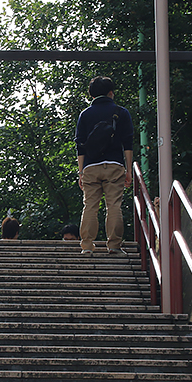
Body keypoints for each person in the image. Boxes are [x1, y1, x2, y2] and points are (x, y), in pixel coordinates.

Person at [75, 76, 134, 255]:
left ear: (91, 95)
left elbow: (80, 146)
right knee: (114, 205)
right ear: (110, 93)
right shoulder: (121, 112)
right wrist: (129, 170)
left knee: (90, 206)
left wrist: (81, 172)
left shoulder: (85, 114)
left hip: (91, 167)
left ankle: (87, 246)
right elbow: (128, 144)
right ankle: (114, 245)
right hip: (114, 165)